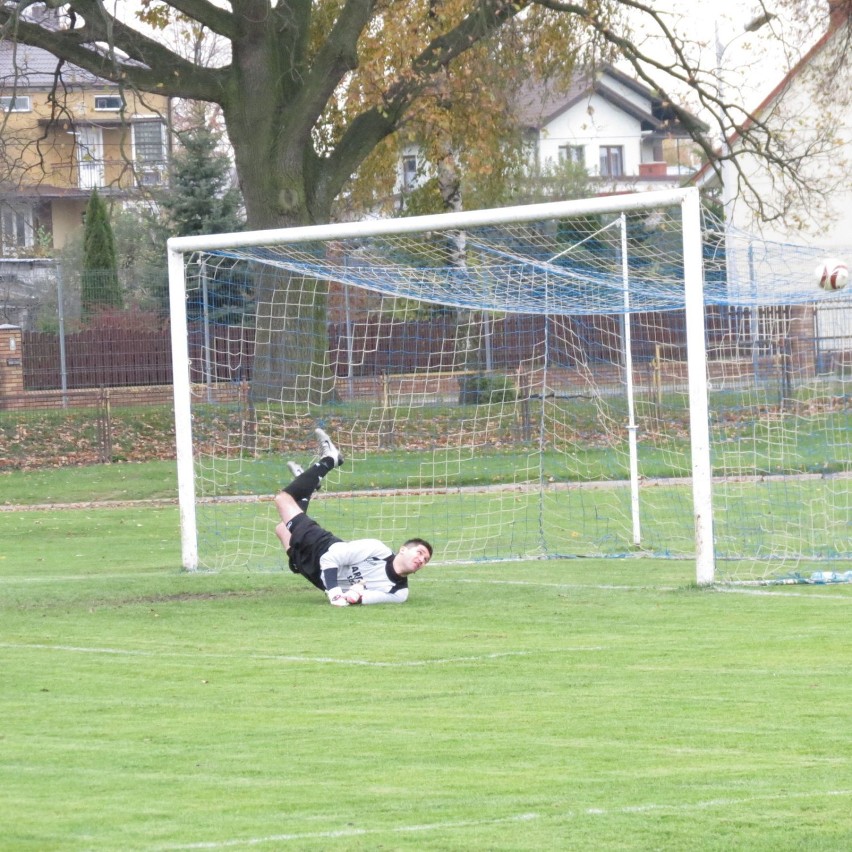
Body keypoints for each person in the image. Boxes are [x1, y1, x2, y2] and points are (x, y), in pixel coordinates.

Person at [274, 428, 433, 606]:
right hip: (322, 548)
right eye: (420, 553)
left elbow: (358, 600)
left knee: (281, 529)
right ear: (403, 549)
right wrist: (335, 593)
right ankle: (330, 459)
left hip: (316, 576)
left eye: (425, 560)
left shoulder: (399, 593)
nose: (421, 560)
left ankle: (307, 485)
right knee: (282, 499)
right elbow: (329, 558)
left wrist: (354, 594)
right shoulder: (377, 549)